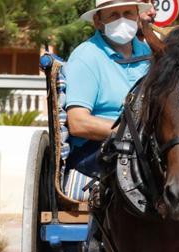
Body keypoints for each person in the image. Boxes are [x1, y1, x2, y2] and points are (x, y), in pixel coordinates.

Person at [64, 0, 156, 177]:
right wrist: (132, 132)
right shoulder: (86, 56)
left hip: (145, 151)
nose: (122, 20)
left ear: (137, 16)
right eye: (114, 15)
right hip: (98, 153)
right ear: (98, 21)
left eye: (128, 13)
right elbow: (78, 123)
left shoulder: (149, 54)